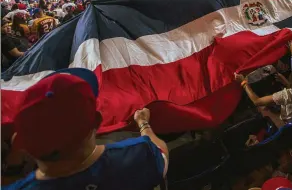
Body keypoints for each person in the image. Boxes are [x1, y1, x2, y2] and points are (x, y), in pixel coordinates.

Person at [4, 68, 169, 189]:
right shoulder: (139, 157)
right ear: (97, 121)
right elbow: (161, 150)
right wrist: (143, 123)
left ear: (21, 141)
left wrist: (14, 165)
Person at [234, 56, 292, 127]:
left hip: (289, 129)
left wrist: (244, 82)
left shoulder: (286, 95)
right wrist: (286, 83)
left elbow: (257, 101)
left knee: (263, 109)